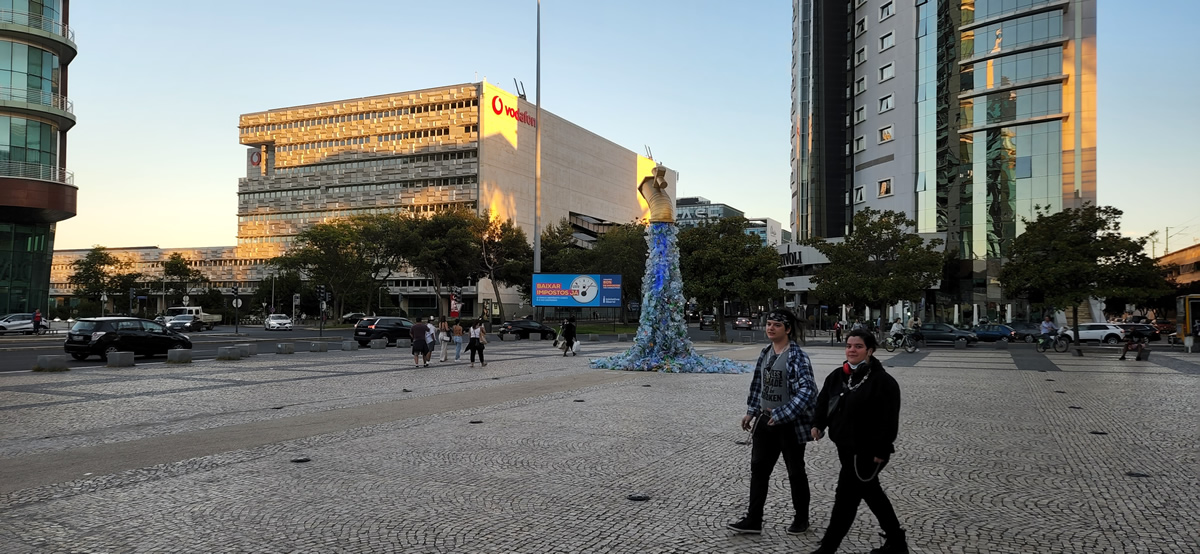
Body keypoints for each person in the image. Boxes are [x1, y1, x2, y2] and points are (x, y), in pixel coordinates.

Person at [809, 329, 908, 554]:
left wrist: (881, 451)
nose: (852, 350)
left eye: (858, 346)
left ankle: (828, 548)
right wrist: (818, 425)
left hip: (868, 451)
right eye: (849, 346)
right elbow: (823, 403)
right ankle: (897, 542)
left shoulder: (883, 382)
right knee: (872, 494)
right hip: (845, 449)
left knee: (845, 499)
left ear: (870, 351)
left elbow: (889, 420)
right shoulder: (837, 376)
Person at [727, 308, 819, 536]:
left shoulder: (797, 356)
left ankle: (801, 519)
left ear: (787, 329)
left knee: (795, 472)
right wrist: (751, 411)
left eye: (776, 325)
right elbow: (758, 384)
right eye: (768, 324)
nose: (770, 328)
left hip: (790, 425)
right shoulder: (766, 352)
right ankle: (754, 520)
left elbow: (808, 391)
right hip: (764, 421)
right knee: (759, 470)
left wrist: (782, 414)